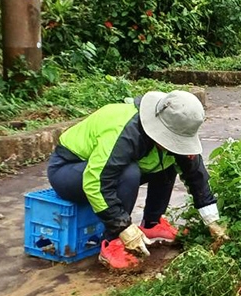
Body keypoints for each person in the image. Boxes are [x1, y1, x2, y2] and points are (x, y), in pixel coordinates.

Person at [47, 90, 227, 269]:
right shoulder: (126, 131)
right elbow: (97, 181)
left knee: (170, 160)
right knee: (129, 173)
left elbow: (194, 172)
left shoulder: (177, 125)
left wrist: (212, 220)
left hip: (102, 171)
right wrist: (122, 227)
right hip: (68, 170)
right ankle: (111, 242)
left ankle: (152, 222)